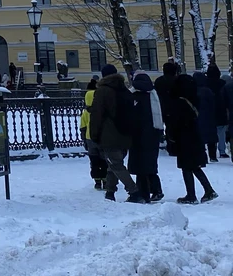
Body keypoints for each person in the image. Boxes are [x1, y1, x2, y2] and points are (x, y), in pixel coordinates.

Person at [159, 61, 217, 204]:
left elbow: (175, 120)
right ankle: (208, 190)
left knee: (186, 166)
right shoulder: (190, 92)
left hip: (183, 136)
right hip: (193, 134)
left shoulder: (177, 98)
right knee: (193, 165)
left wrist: (171, 136)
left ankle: (192, 195)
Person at [88, 64, 146, 202]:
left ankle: (134, 192)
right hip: (125, 134)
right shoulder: (125, 90)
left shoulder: (102, 91)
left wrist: (94, 135)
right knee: (113, 163)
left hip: (109, 134)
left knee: (115, 164)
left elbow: (97, 115)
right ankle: (110, 192)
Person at [129, 71, 164, 202]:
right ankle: (156, 190)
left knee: (139, 165)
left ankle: (143, 194)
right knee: (150, 163)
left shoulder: (133, 95)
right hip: (153, 133)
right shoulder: (153, 94)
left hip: (137, 133)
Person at [80, 74, 108, 190]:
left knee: (94, 161)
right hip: (102, 138)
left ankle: (97, 181)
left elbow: (83, 126)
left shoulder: (86, 112)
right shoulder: (103, 111)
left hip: (90, 138)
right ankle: (106, 180)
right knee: (104, 160)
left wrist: (84, 139)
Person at [193, 69, 220, 163]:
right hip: (209, 117)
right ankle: (212, 156)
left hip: (197, 117)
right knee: (211, 137)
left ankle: (202, 156)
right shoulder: (208, 91)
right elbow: (214, 104)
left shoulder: (193, 91)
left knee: (199, 138)